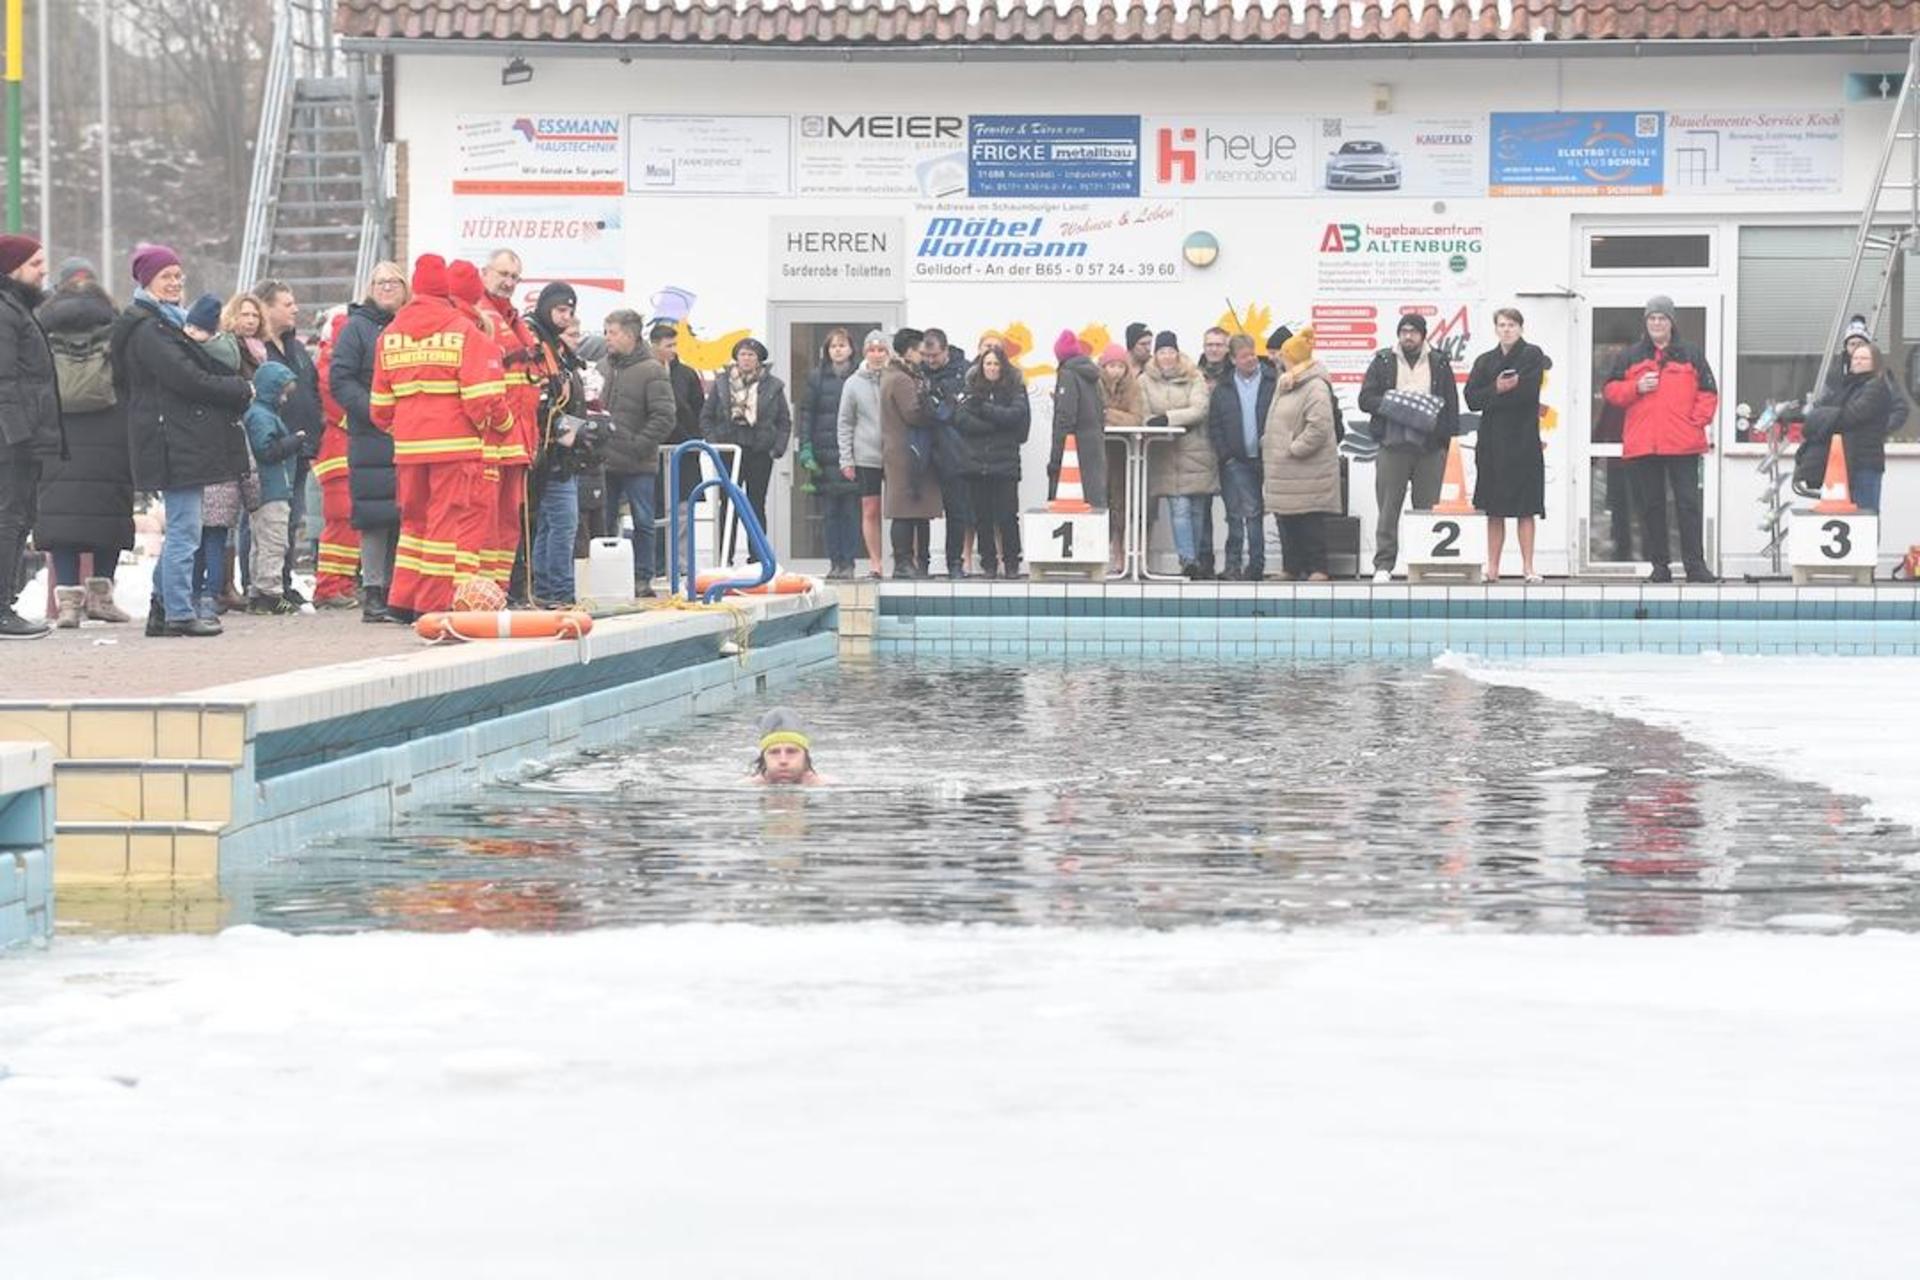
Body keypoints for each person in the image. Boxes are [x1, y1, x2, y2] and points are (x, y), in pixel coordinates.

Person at [110, 243, 253, 638]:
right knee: (186, 529)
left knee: (184, 527)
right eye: (165, 277)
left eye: (177, 275)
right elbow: (186, 377)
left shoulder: (163, 323)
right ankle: (177, 611)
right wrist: (238, 389)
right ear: (146, 282)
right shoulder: (150, 330)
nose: (175, 283)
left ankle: (163, 608)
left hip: (174, 437)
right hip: (170, 440)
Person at [370, 253, 511, 619]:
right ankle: (430, 605)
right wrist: (504, 426)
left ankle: (402, 600)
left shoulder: (390, 334)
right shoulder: (464, 331)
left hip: (408, 449)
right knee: (444, 527)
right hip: (455, 448)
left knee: (414, 525)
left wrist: (404, 430)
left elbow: (380, 407)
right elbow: (482, 401)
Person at [35, 254, 135, 629]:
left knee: (62, 517)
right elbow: (129, 375)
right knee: (107, 512)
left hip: (59, 431)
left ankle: (68, 605)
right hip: (110, 427)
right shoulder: (116, 322)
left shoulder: (41, 323)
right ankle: (101, 598)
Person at [1601, 295, 1719, 583]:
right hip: (1644, 445)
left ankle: (1696, 567)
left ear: (1671, 322)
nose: (1657, 323)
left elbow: (1709, 393)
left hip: (1683, 444)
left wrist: (1695, 423)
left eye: (1662, 318)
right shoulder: (1630, 356)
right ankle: (1660, 567)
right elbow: (1611, 391)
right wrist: (1636, 387)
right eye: (1652, 318)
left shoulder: (1691, 353)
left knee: (1688, 505)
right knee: (1651, 507)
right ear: (1646, 322)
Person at [329, 262, 406, 622]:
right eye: (380, 282)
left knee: (405, 514)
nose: (386, 287)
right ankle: (373, 591)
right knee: (375, 515)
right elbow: (341, 379)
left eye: (393, 282)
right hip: (371, 435)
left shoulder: (410, 325)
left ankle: (397, 590)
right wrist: (376, 412)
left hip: (408, 435)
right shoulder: (356, 329)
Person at [1358, 312, 1460, 583]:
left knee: (1426, 511)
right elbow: (1365, 399)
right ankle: (1383, 565)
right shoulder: (1383, 360)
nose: (1408, 336)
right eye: (1403, 331)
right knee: (1388, 509)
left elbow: (1450, 404)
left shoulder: (1439, 362)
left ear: (1424, 335)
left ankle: (1423, 564)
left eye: (1413, 331)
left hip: (1429, 448)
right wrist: (1400, 406)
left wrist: (1446, 443)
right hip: (1393, 446)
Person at [1465, 308, 1552, 583]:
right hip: (1492, 444)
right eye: (1501, 325)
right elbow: (1471, 399)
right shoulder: (1485, 360)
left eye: (1511, 325)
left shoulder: (1532, 355)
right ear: (1495, 329)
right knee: (1494, 509)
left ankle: (1528, 567)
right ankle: (1493, 567)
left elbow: (1527, 393)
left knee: (1526, 508)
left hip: (1524, 440)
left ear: (1520, 328)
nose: (1506, 330)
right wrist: (1498, 389)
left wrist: (1492, 395)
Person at [0, 235, 58, 639]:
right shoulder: (6, 313)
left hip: (22, 435)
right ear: (12, 268)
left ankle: (7, 603)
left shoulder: (18, 309)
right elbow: (4, 380)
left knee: (19, 520)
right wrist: (17, 434)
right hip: (11, 439)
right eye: (36, 263)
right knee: (8, 519)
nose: (44, 270)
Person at [599, 309, 677, 598]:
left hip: (638, 462)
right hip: (604, 462)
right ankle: (606, 578)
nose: (607, 338)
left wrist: (637, 445)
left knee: (643, 521)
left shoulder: (652, 369)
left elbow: (665, 416)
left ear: (630, 335)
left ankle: (643, 577)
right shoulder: (603, 367)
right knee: (603, 524)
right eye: (606, 331)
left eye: (613, 332)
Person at [183, 294, 251, 624]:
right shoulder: (232, 369)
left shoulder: (195, 361)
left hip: (203, 467)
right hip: (226, 470)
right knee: (216, 537)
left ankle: (200, 593)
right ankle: (212, 593)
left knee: (199, 539)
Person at [478, 250, 541, 600]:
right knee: (486, 523)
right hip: (492, 437)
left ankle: (498, 592)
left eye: (515, 277)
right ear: (484, 272)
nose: (509, 282)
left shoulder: (513, 318)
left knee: (507, 523)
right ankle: (483, 590)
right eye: (503, 273)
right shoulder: (478, 316)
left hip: (517, 438)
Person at [255, 281, 321, 605]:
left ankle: (283, 581)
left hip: (300, 447)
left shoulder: (296, 348)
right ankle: (261, 584)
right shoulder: (258, 349)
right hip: (272, 448)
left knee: (292, 518)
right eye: (287, 304)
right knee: (266, 519)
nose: (295, 309)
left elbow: (311, 389)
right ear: (266, 308)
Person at [702, 336, 791, 565]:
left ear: (759, 359)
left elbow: (783, 421)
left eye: (751, 355)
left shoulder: (773, 385)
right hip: (729, 451)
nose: (746, 359)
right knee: (728, 504)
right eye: (742, 354)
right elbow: (707, 417)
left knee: (756, 504)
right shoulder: (722, 383)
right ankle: (725, 557)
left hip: (760, 451)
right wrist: (714, 443)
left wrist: (777, 448)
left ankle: (757, 556)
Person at [1262, 327, 1338, 581]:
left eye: (1282, 356)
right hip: (1285, 469)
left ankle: (1318, 568)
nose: (1277, 360)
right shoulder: (1287, 382)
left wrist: (1294, 449)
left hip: (1306, 467)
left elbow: (1319, 427)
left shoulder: (1315, 386)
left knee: (1310, 518)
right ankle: (1291, 567)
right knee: (1287, 519)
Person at [1141, 331, 1217, 579]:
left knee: (1197, 509)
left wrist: (1168, 419)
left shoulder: (1194, 376)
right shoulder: (1144, 381)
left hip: (1197, 451)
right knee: (1180, 507)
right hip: (1166, 454)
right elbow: (1143, 414)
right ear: (1156, 354)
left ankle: (1195, 559)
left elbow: (1199, 409)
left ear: (1177, 352)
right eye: (1162, 352)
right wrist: (1158, 423)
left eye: (1170, 351)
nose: (1167, 356)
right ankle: (1188, 559)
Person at [954, 343, 1029, 579]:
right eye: (988, 363)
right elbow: (962, 421)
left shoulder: (1015, 389)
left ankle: (1012, 562)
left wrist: (984, 409)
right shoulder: (969, 388)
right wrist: (995, 425)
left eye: (996, 363)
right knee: (982, 517)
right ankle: (988, 563)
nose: (992, 368)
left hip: (1005, 464)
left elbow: (1015, 417)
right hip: (976, 464)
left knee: (1007, 516)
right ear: (981, 365)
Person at [1206, 335, 1272, 580]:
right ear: (1233, 359)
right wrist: (1226, 456)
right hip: (1235, 461)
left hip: (1265, 459)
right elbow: (1214, 425)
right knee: (1234, 514)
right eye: (1244, 356)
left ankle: (1256, 566)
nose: (1251, 359)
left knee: (1255, 515)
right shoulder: (1223, 388)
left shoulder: (1270, 381)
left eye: (1253, 354)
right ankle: (1233, 566)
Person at [241, 362, 305, 614]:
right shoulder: (262, 416)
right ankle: (271, 593)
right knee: (274, 542)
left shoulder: (260, 414)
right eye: (283, 391)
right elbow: (267, 451)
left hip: (266, 490)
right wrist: (295, 441)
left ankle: (258, 592)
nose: (285, 397)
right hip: (272, 489)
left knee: (261, 542)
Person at [798, 328, 860, 579]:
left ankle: (850, 561)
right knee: (831, 513)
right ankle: (835, 562)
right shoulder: (816, 377)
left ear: (851, 349)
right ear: (827, 350)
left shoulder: (859, 375)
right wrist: (806, 446)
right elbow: (807, 414)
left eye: (842, 345)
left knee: (851, 512)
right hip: (824, 453)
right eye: (833, 346)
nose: (838, 350)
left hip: (853, 453)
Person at [1806, 341, 1894, 514]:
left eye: (1864, 358)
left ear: (1875, 362)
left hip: (1864, 464)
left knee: (1865, 517)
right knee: (1847, 519)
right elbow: (1825, 407)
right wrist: (1823, 413)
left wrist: (1822, 416)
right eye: (1856, 358)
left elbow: (1851, 416)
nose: (1858, 361)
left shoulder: (1877, 387)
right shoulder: (1848, 386)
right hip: (1844, 463)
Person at [310, 309, 361, 607]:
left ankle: (341, 583)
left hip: (344, 450)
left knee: (348, 520)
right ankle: (328, 587)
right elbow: (342, 409)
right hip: (336, 451)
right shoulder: (329, 370)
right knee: (340, 519)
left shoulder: (332, 365)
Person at [881, 328, 940, 578]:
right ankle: (904, 561)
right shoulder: (901, 379)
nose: (923, 355)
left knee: (917, 510)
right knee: (905, 510)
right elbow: (913, 413)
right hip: (908, 451)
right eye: (919, 350)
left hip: (906, 450)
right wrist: (934, 409)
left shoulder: (894, 375)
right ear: (908, 351)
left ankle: (914, 562)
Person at [650, 320, 706, 570]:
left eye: (675, 344)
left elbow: (698, 411)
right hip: (653, 452)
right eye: (667, 345)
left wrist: (694, 439)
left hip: (684, 452)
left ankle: (681, 564)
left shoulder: (686, 375)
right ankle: (656, 562)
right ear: (654, 346)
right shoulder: (646, 372)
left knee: (683, 510)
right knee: (654, 509)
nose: (672, 350)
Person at [836, 330, 891, 579]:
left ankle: (903, 559)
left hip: (894, 454)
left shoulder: (896, 377)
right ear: (865, 352)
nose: (877, 355)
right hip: (866, 454)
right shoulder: (853, 383)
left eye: (882, 350)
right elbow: (845, 422)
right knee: (870, 509)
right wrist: (846, 458)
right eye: (872, 350)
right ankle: (875, 563)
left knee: (900, 510)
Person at [920, 328, 971, 577]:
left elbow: (960, 411)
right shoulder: (917, 373)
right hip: (924, 448)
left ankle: (955, 562)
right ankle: (921, 562)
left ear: (946, 351)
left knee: (956, 509)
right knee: (920, 509)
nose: (930, 361)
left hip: (954, 448)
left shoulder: (965, 371)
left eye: (935, 356)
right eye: (926, 356)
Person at [1048, 329, 1105, 510]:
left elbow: (1066, 418)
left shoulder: (1067, 374)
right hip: (1094, 449)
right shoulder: (1092, 375)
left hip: (1073, 454)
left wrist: (1055, 459)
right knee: (1093, 505)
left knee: (1070, 509)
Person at [1099, 342, 1144, 573]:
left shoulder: (1133, 388)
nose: (1115, 371)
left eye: (1120, 366)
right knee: (1099, 501)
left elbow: (1136, 418)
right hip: (1098, 453)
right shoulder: (1095, 385)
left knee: (1120, 503)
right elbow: (1093, 414)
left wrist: (1109, 414)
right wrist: (1115, 416)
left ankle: (1120, 551)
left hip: (1122, 453)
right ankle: (1099, 552)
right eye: (1111, 366)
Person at [752, 707, 825, 786]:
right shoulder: (748, 786)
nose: (783, 761)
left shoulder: (827, 786)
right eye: (774, 752)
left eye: (791, 751)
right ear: (763, 759)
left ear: (805, 757)